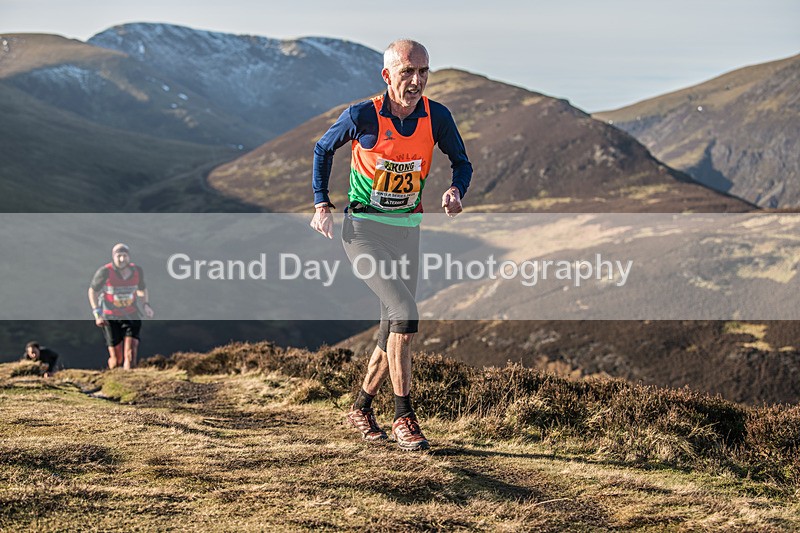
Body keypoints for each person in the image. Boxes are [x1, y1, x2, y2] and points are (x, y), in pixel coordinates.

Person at [310, 39, 472, 450]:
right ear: (387, 75)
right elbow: (323, 148)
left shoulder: (437, 116)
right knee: (405, 313)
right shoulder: (362, 115)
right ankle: (404, 417)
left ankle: (361, 408)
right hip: (362, 231)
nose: (416, 81)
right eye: (407, 72)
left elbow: (462, 162)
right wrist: (321, 203)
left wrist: (456, 190)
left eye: (423, 72)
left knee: (393, 327)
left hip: (406, 231)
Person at [87, 243, 154, 370]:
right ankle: (112, 375)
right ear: (113, 257)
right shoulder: (105, 272)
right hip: (110, 317)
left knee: (131, 353)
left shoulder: (137, 271)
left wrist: (146, 305)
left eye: (125, 256)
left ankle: (129, 379)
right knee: (117, 359)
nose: (122, 259)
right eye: (119, 256)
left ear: (129, 257)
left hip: (131, 314)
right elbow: (92, 291)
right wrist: (97, 313)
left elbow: (142, 289)